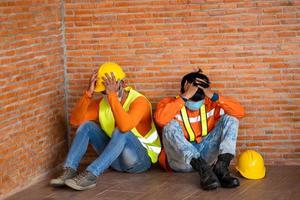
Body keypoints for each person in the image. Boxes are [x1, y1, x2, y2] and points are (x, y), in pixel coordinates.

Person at [50, 62, 161, 190]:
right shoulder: (102, 103)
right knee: (87, 126)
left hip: (139, 161)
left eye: (110, 89)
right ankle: (69, 170)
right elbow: (76, 120)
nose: (106, 95)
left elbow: (125, 127)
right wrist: (88, 93)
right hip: (115, 160)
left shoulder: (139, 101)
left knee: (121, 131)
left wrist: (111, 95)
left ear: (123, 84)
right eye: (103, 92)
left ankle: (91, 174)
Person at [154, 69, 245, 190]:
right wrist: (185, 97)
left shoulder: (210, 103)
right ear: (182, 92)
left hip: (206, 157)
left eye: (199, 99)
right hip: (181, 161)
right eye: (192, 98)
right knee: (169, 126)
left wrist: (213, 96)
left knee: (231, 118)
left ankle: (221, 168)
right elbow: (160, 119)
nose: (195, 103)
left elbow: (240, 112)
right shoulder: (170, 103)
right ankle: (203, 169)